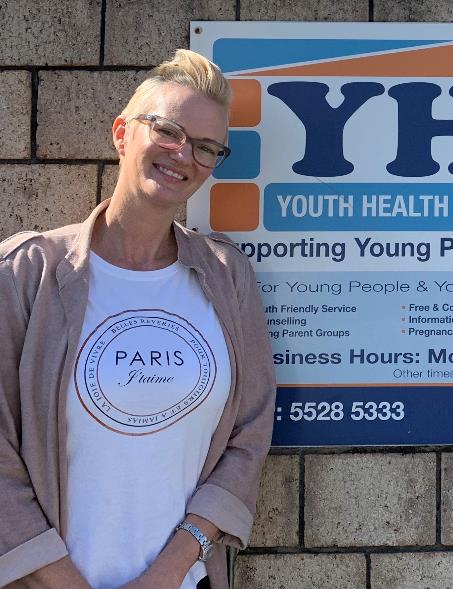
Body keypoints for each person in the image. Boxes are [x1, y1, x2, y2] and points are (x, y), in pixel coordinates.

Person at [0, 50, 275, 589]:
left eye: (205, 147)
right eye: (169, 130)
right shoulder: (27, 271)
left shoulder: (227, 277)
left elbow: (249, 434)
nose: (183, 155)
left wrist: (170, 571)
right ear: (123, 133)